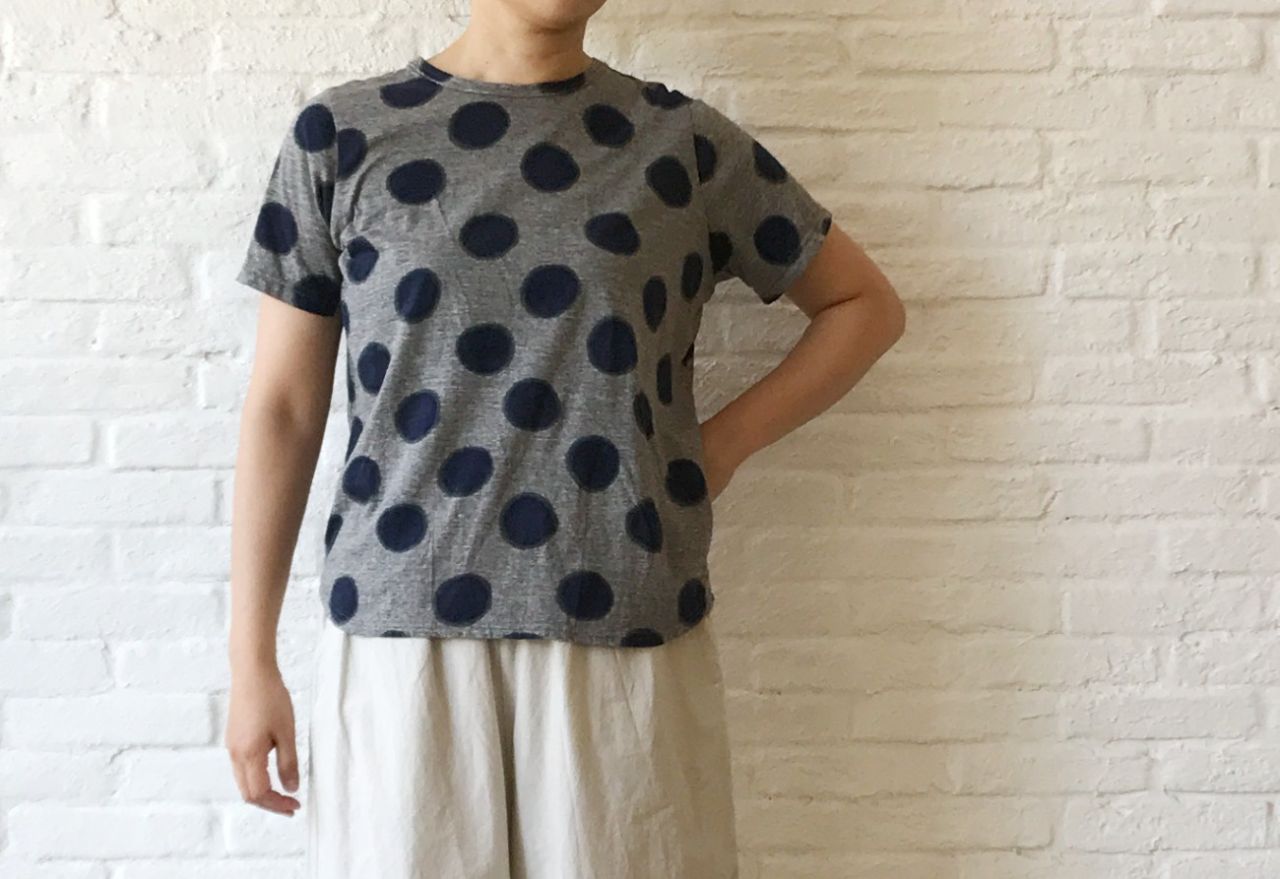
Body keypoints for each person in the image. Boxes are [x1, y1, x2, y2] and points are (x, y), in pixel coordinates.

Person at [223, 0, 905, 875]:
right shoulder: (342, 137)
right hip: (403, 637)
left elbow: (862, 306)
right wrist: (251, 661)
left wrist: (719, 447)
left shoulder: (682, 146)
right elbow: (283, 407)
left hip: (620, 627)